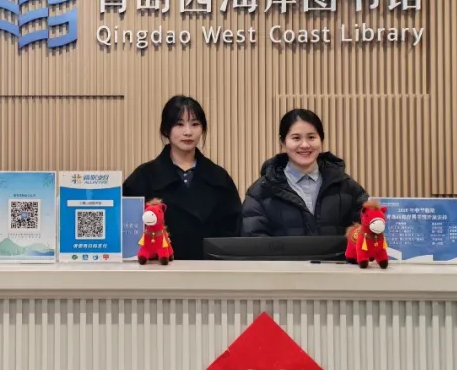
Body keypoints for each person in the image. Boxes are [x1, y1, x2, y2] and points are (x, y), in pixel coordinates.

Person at [123, 95, 242, 260]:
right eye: (179, 124)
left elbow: (234, 232)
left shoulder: (219, 178)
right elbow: (127, 228)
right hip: (159, 268)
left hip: (209, 269)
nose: (188, 132)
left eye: (195, 124)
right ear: (166, 129)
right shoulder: (143, 177)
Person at [241, 108, 369, 237]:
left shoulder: (345, 185)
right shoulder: (261, 191)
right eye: (296, 138)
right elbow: (253, 239)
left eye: (311, 137)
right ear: (283, 142)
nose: (305, 145)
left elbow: (368, 228)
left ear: (321, 140)